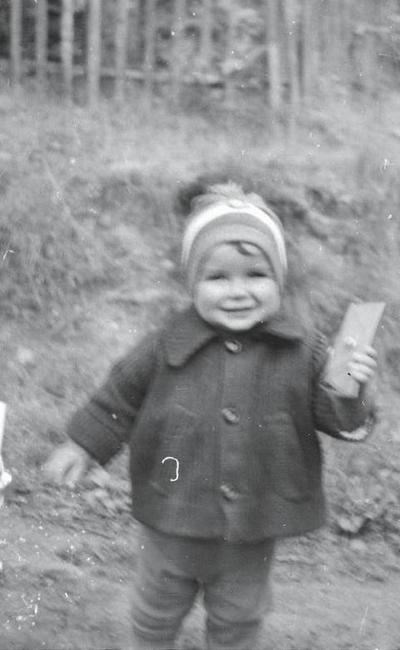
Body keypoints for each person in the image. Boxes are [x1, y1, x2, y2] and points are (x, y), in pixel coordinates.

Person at [44, 184, 378, 650]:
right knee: (156, 607)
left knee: (240, 615)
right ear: (192, 284)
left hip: (254, 523)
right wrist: (82, 445)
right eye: (218, 278)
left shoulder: (304, 349)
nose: (238, 292)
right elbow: (119, 397)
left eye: (256, 275)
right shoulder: (166, 345)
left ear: (279, 279)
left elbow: (340, 419)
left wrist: (350, 386)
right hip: (172, 512)